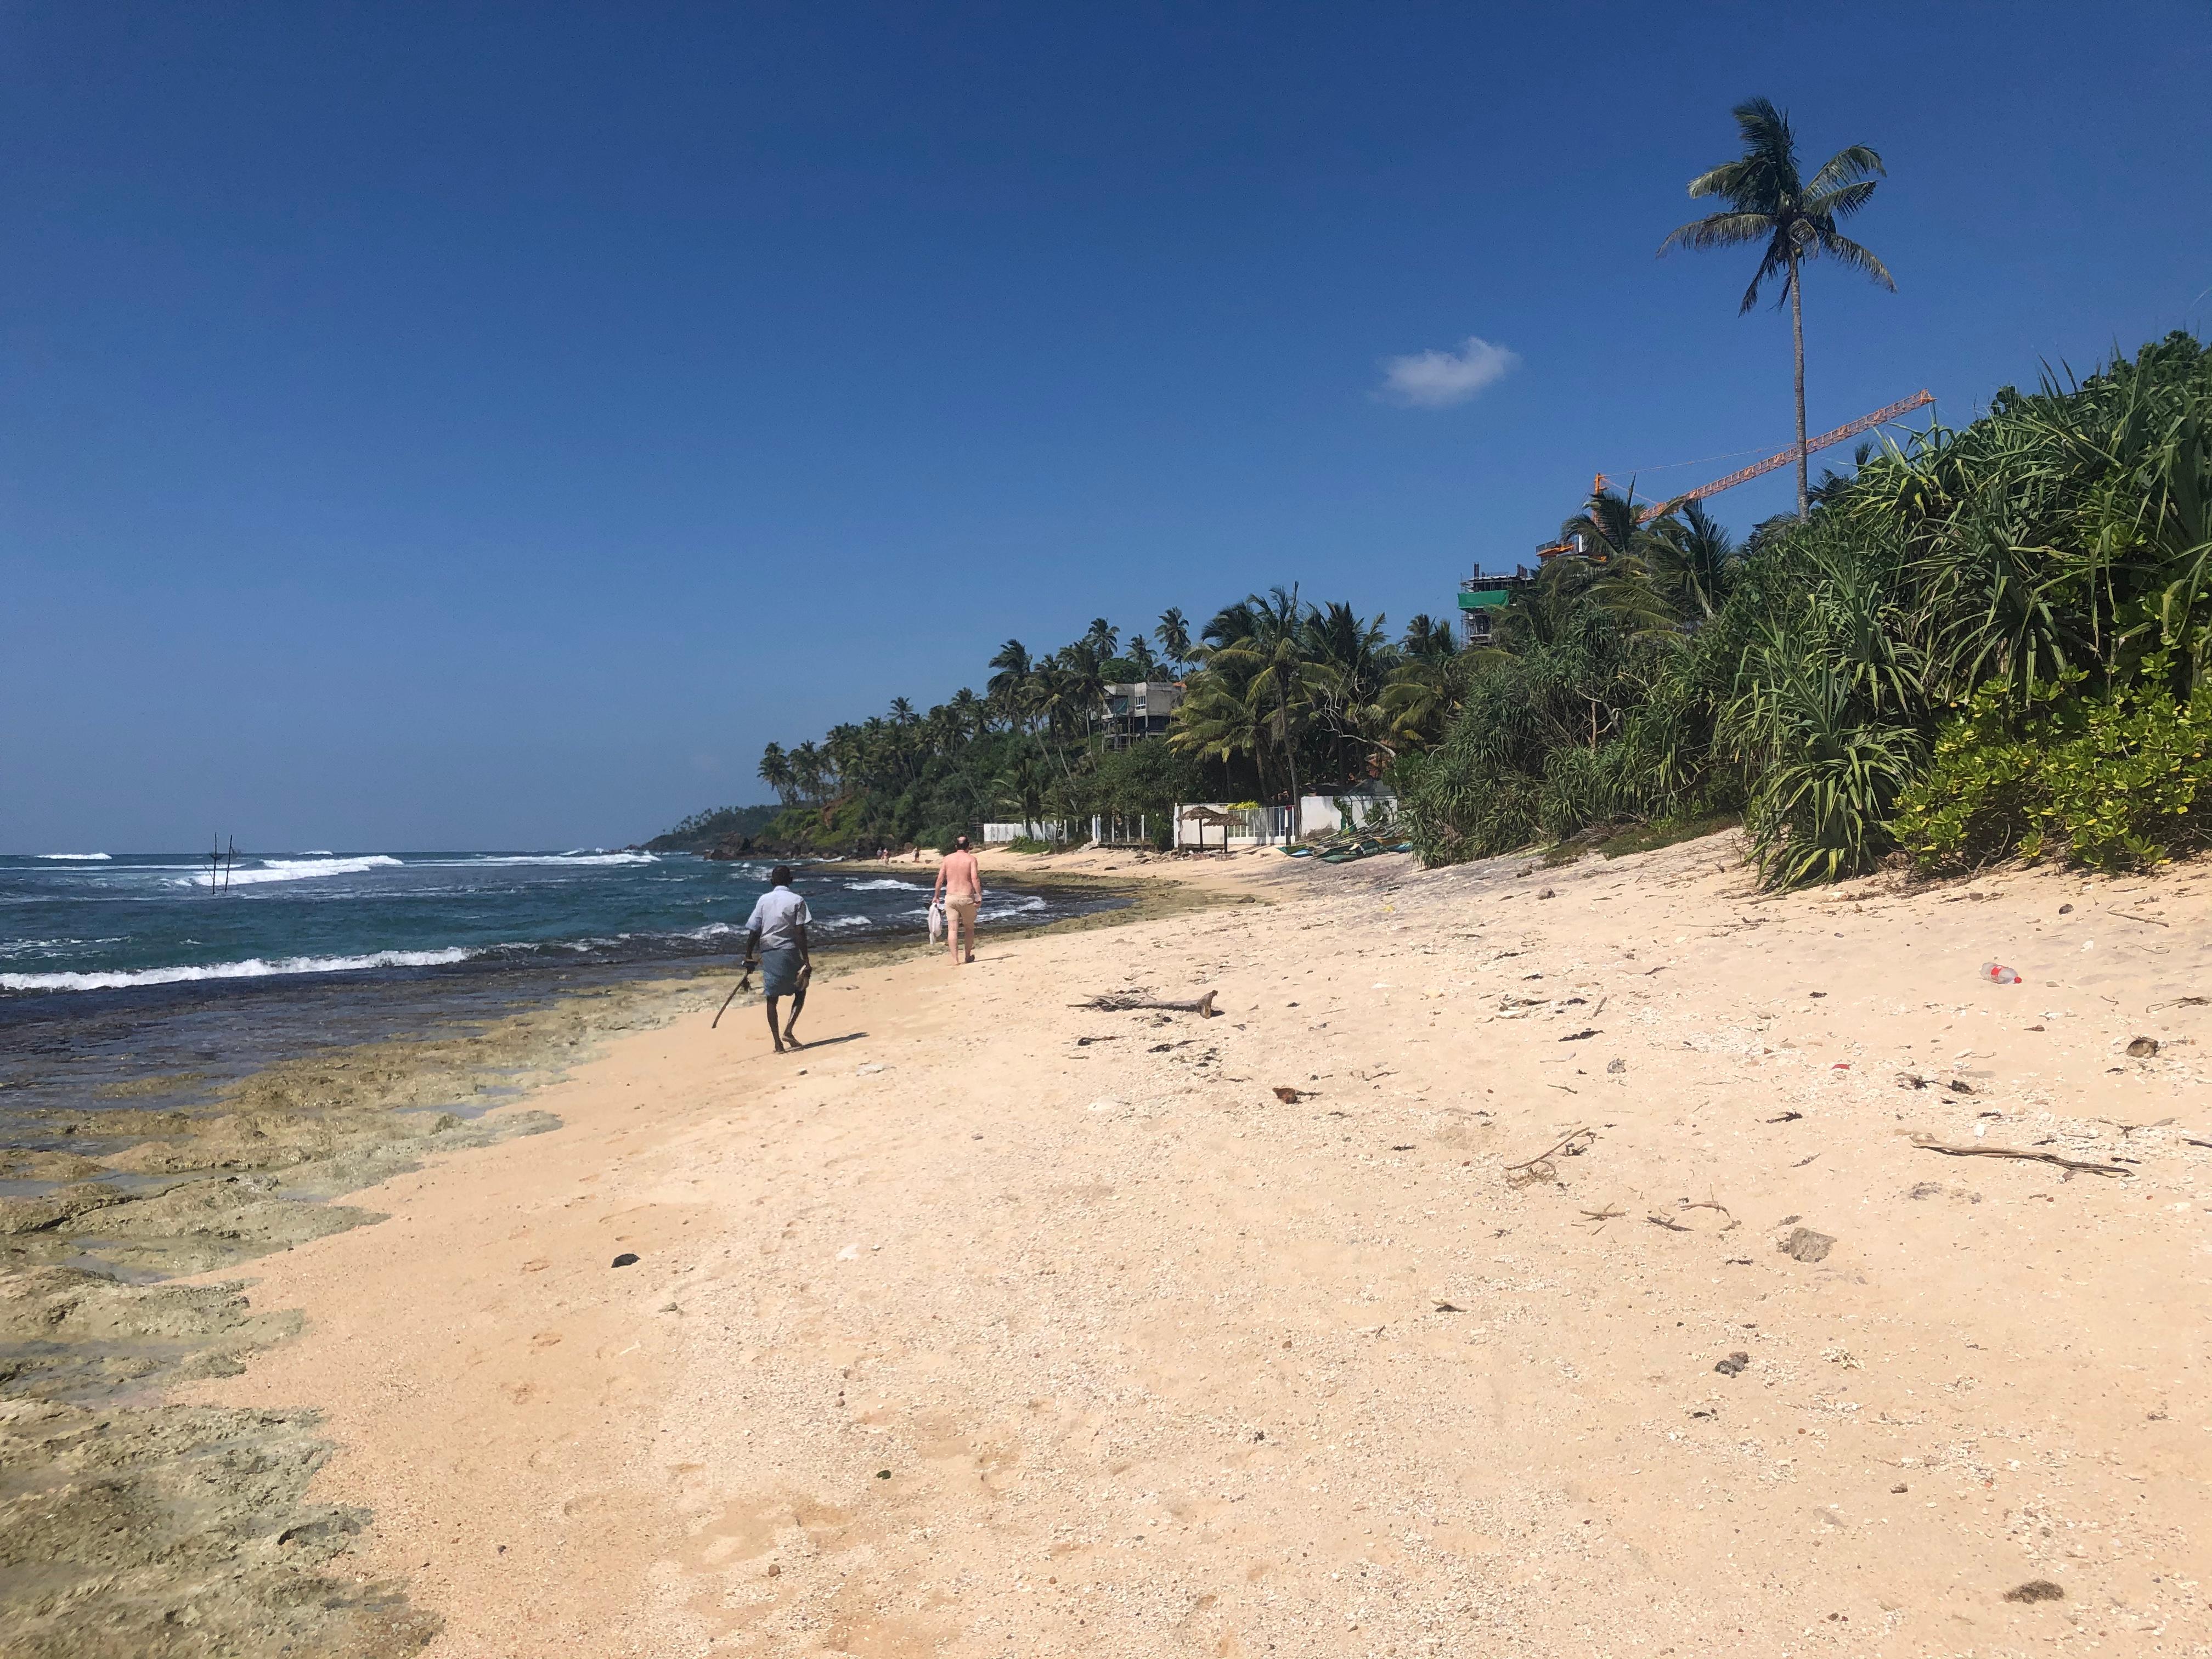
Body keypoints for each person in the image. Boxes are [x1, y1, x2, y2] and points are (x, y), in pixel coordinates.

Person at [742, 865, 811, 1052]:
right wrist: (806, 960)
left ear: (772, 882)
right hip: (789, 950)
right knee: (801, 989)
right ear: (791, 880)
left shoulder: (763, 900)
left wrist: (748, 955)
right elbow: (800, 932)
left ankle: (777, 1044)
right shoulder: (797, 900)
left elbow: (755, 930)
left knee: (772, 998)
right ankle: (788, 1030)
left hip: (769, 951)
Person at [933, 833, 983, 965]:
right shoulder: (971, 859)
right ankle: (967, 956)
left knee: (952, 929)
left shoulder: (947, 859)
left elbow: (940, 878)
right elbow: (975, 878)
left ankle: (955, 960)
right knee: (969, 928)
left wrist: (936, 896)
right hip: (966, 897)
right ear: (968, 847)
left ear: (956, 847)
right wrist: (978, 896)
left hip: (951, 897)